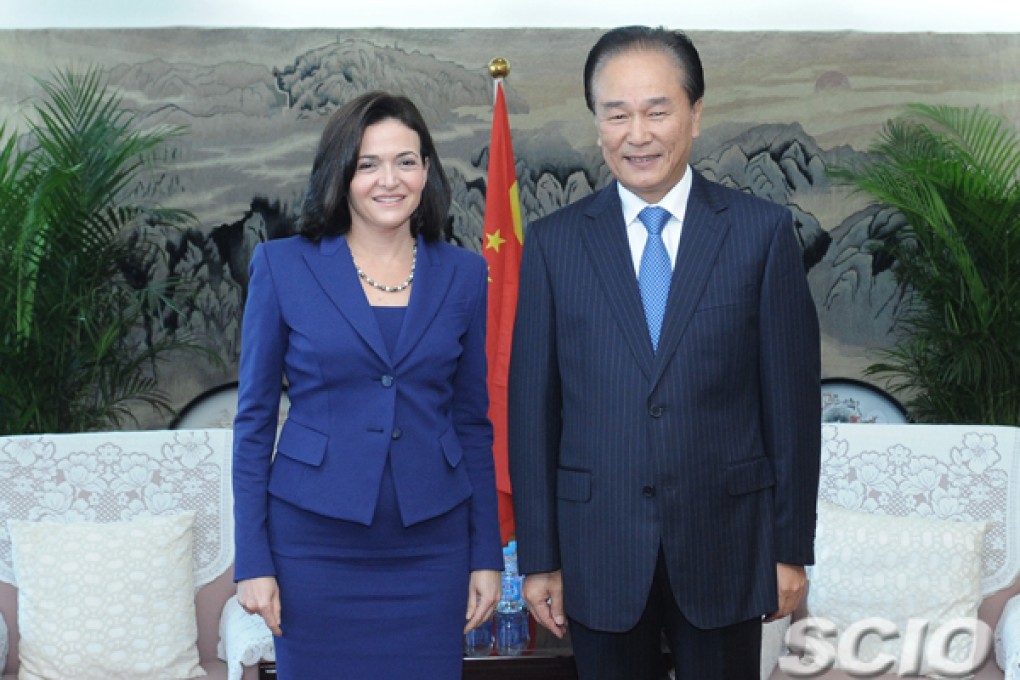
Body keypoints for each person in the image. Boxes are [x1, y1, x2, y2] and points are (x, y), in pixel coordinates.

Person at [508, 26, 821, 680]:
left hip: (726, 545)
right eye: (616, 114)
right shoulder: (555, 244)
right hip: (598, 549)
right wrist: (540, 557)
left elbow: (791, 407)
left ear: (695, 113)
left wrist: (790, 549)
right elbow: (533, 413)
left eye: (657, 110)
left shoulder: (760, 234)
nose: (637, 133)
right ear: (597, 124)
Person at [232, 91, 503, 679]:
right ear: (342, 174)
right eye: (368, 164)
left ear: (427, 172)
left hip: (432, 547)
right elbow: (253, 421)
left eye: (406, 161)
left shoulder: (463, 273)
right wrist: (252, 558)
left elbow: (472, 422)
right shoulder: (282, 266)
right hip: (313, 545)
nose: (390, 179)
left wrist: (486, 554)